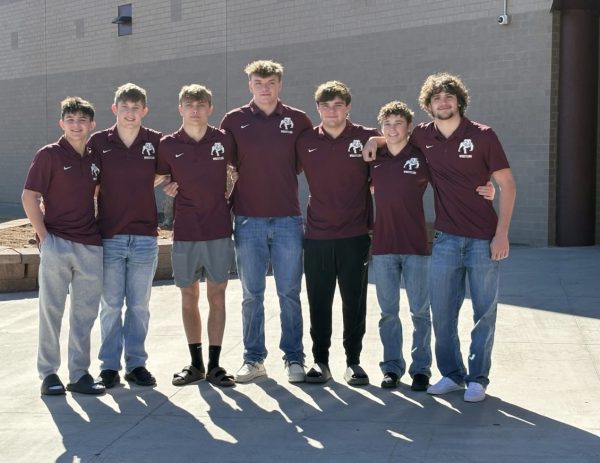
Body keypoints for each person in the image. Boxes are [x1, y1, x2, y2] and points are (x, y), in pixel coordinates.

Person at [364, 73, 516, 402]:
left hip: (482, 237)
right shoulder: (423, 135)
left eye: (448, 97)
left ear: (459, 100)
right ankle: (451, 374)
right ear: (428, 105)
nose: (442, 103)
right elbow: (393, 137)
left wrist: (502, 233)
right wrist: (374, 141)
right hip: (446, 238)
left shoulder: (483, 135)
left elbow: (507, 184)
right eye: (436, 99)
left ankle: (478, 378)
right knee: (442, 312)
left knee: (483, 313)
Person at [220, 60, 312, 383]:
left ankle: (294, 359)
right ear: (250, 86)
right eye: (258, 82)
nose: (264, 88)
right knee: (251, 294)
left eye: (270, 82)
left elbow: (307, 163)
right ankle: (254, 359)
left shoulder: (298, 120)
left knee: (289, 292)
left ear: (280, 84)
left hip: (288, 219)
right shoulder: (233, 121)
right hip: (248, 221)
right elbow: (220, 164)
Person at [296, 81, 378, 386]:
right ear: (317, 109)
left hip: (355, 234)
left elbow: (403, 143)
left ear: (348, 107)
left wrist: (379, 140)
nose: (332, 111)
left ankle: (353, 361)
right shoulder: (304, 141)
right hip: (317, 234)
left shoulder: (366, 138)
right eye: (326, 106)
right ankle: (320, 360)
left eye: (338, 105)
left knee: (353, 301)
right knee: (318, 300)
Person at [22, 96, 105, 396]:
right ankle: (48, 374)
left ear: (92, 124)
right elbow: (29, 196)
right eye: (70, 120)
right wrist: (44, 236)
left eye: (82, 120)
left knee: (85, 313)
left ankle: (79, 374)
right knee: (51, 310)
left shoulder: (96, 156)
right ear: (61, 123)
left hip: (90, 245)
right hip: (57, 242)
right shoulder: (49, 155)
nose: (76, 125)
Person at [156, 84, 236, 387]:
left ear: (210, 108)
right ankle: (196, 364)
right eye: (189, 104)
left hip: (217, 230)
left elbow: (242, 170)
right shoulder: (167, 144)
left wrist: (232, 192)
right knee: (189, 296)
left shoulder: (224, 139)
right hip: (186, 232)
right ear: (180, 108)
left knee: (217, 295)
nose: (195, 109)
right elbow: (153, 177)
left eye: (201, 104)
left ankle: (215, 365)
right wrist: (165, 186)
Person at [88, 83, 162, 389]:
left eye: (136, 108)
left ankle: (136, 364)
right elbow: (89, 184)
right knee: (110, 305)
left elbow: (170, 173)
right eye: (124, 107)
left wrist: (147, 186)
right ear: (114, 108)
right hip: (110, 236)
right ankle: (108, 367)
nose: (130, 114)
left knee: (139, 306)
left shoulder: (156, 141)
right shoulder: (98, 142)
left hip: (145, 236)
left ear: (144, 111)